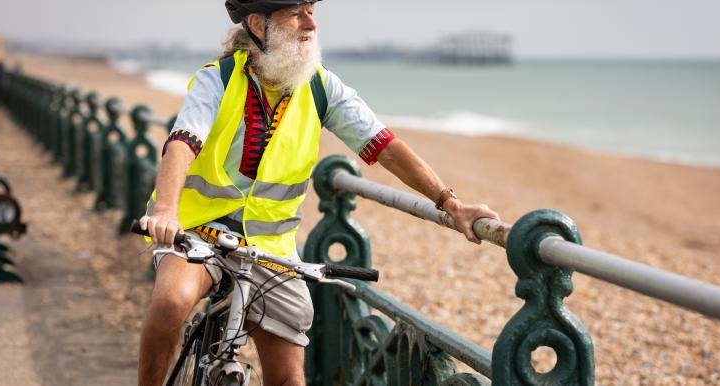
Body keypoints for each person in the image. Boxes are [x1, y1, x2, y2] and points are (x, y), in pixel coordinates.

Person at [138, 0, 500, 385]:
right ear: (259, 25)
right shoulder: (218, 80)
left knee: (290, 379)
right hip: (196, 229)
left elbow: (384, 146)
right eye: (296, 13)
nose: (311, 22)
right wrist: (165, 211)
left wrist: (450, 203)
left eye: (311, 10)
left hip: (270, 247)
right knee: (170, 302)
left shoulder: (320, 86)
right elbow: (183, 141)